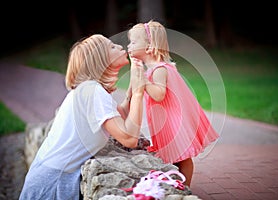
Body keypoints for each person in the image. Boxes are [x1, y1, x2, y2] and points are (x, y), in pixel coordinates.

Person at [19, 34, 145, 200]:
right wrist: (138, 94)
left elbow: (118, 117)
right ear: (100, 60)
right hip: (51, 184)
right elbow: (129, 138)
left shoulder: (89, 89)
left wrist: (132, 88)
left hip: (49, 175)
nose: (120, 46)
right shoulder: (92, 92)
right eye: (112, 47)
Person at [126, 20, 220, 187]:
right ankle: (176, 185)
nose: (129, 46)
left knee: (183, 158)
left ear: (149, 47)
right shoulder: (154, 68)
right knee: (174, 157)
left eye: (133, 42)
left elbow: (160, 95)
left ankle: (185, 187)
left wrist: (144, 83)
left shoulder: (159, 69)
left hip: (173, 123)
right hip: (165, 121)